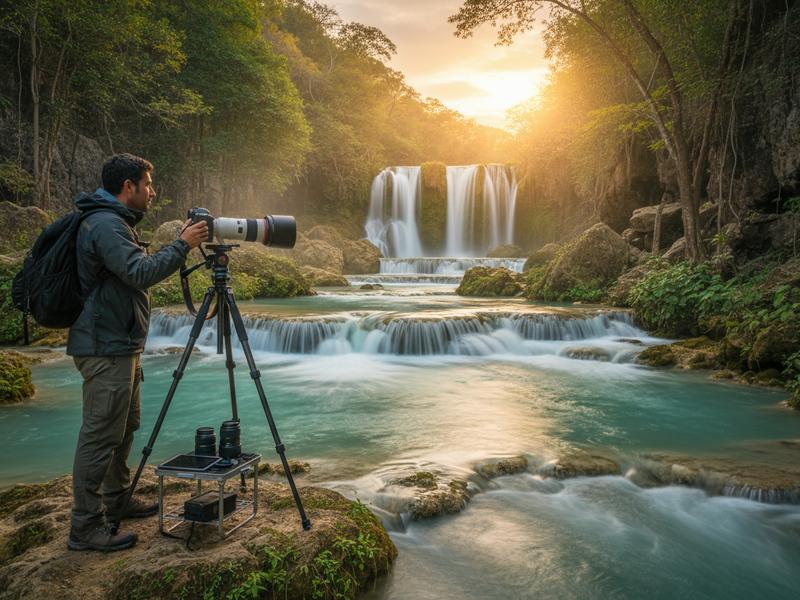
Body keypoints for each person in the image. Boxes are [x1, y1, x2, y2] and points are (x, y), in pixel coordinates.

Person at [66, 153, 208, 552]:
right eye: (147, 184)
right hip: (104, 345)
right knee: (100, 435)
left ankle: (117, 499)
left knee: (124, 426)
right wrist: (181, 245)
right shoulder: (106, 224)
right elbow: (140, 272)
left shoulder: (113, 222)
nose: (152, 191)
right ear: (128, 187)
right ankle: (86, 526)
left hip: (119, 342)